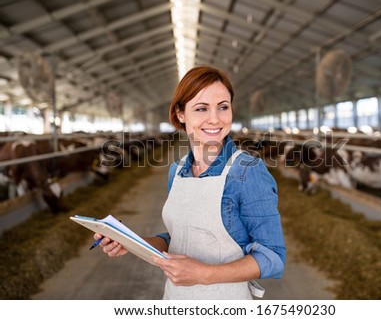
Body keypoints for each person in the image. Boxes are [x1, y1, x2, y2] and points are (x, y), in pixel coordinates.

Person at [94, 65, 286, 299]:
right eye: (201, 108)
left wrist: (204, 274)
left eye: (223, 107)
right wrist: (132, 242)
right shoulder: (177, 171)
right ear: (180, 114)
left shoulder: (247, 172)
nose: (214, 119)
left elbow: (273, 258)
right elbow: (179, 237)